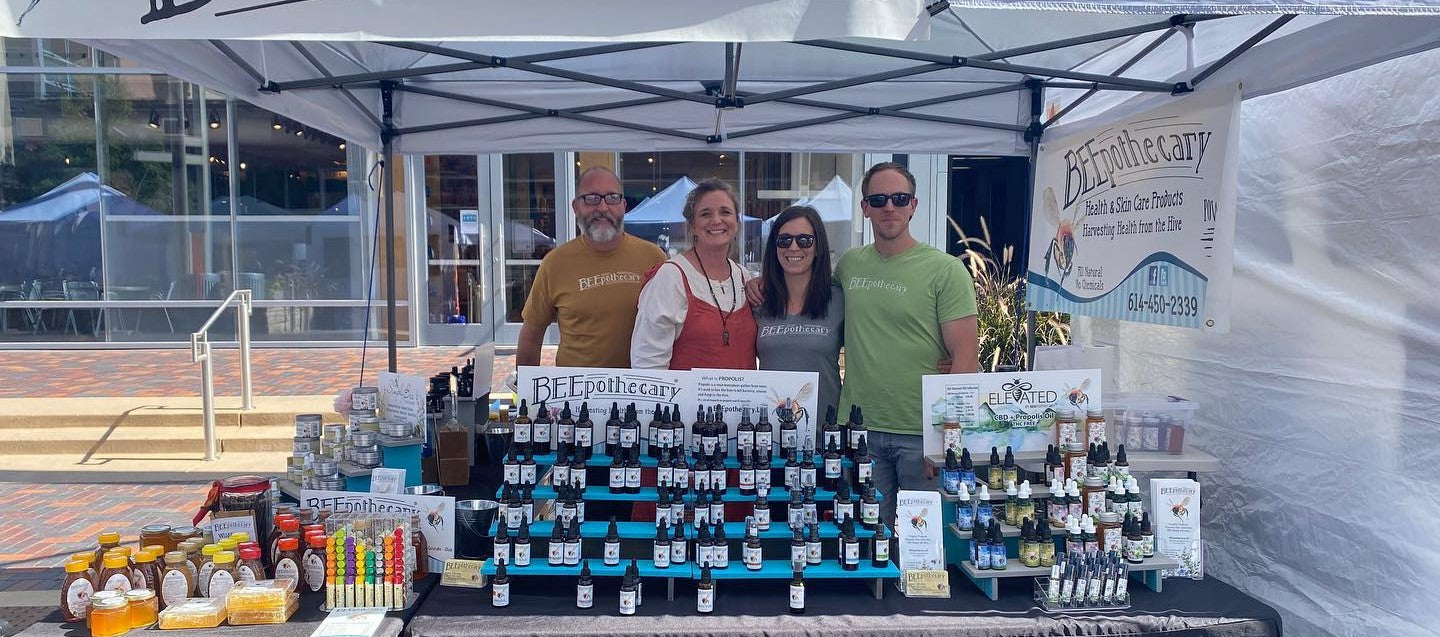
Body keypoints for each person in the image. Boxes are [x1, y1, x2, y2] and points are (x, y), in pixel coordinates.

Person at [840, 161, 979, 524]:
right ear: (865, 207)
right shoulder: (849, 265)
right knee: (867, 537)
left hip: (922, 435)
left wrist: (945, 444)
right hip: (860, 430)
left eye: (900, 199)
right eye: (879, 199)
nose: (890, 207)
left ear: (914, 205)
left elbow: (966, 358)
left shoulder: (945, 270)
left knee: (925, 539)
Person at [517, 167, 665, 368]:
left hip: (638, 384)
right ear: (576, 207)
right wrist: (525, 385)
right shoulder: (555, 263)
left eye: (612, 198)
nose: (603, 208)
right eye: (592, 199)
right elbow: (531, 336)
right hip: (576, 386)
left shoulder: (653, 257)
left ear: (623, 206)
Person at [631, 179, 756, 370]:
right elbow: (648, 364)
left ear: (736, 223)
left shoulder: (743, 276)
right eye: (705, 214)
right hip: (685, 392)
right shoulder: (670, 277)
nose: (716, 220)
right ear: (692, 226)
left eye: (725, 212)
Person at [754, 205, 844, 431]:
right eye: (784, 240)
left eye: (804, 240)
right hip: (768, 433)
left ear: (818, 247)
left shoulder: (839, 300)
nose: (793, 247)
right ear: (774, 247)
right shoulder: (758, 300)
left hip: (825, 433)